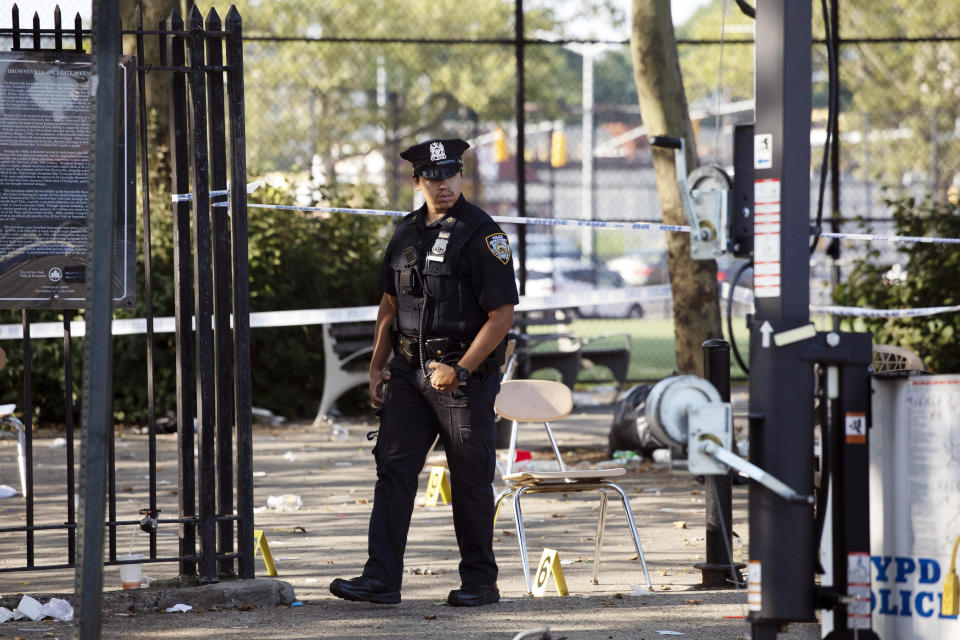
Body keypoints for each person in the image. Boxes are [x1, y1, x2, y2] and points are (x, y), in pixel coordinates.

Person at [329, 138, 518, 607]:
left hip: (460, 378)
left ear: (461, 175)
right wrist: (376, 367)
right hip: (409, 376)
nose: (443, 183)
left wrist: (460, 369)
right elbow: (389, 305)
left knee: (470, 478)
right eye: (433, 177)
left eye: (451, 174)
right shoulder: (406, 232)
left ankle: (479, 582)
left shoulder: (482, 234)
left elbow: (502, 316)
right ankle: (381, 580)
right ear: (418, 182)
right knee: (393, 471)